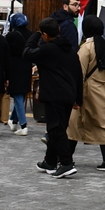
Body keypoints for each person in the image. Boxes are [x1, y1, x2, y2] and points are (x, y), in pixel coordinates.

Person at [25, 17, 82, 178]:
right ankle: (50, 161)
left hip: (54, 94)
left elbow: (27, 52)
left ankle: (66, 163)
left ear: (44, 34)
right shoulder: (71, 50)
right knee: (58, 128)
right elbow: (79, 75)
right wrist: (79, 98)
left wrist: (35, 35)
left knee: (55, 129)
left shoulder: (49, 49)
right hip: (69, 95)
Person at [71, 15, 105, 171]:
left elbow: (78, 73)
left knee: (73, 125)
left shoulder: (86, 48)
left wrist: (75, 96)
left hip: (87, 92)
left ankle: (66, 158)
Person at [5, 13, 32, 136]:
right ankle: (13, 120)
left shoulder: (11, 36)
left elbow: (6, 53)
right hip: (27, 67)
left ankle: (24, 125)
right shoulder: (31, 35)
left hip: (14, 67)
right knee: (20, 94)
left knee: (17, 95)